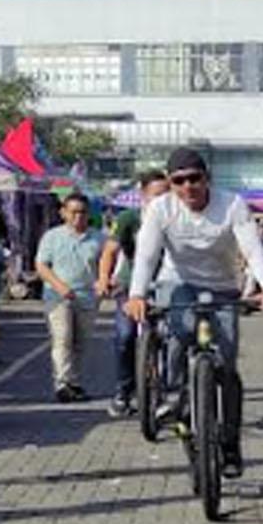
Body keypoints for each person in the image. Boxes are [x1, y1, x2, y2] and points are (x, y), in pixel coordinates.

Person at [123, 148, 263, 478]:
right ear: (170, 184)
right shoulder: (160, 209)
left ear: (206, 177)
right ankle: (175, 395)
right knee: (180, 332)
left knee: (226, 365)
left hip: (222, 285)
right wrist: (137, 294)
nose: (188, 187)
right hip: (177, 282)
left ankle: (229, 443)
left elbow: (252, 248)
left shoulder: (232, 205)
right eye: (178, 181)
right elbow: (146, 256)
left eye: (194, 179)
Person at [98, 171, 171, 417]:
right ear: (143, 195)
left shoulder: (176, 218)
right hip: (130, 288)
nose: (161, 201)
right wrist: (103, 280)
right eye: (156, 195)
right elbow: (110, 251)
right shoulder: (129, 218)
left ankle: (165, 392)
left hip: (166, 287)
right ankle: (122, 392)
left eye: (166, 195)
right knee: (125, 336)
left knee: (172, 338)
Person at [34, 192, 108, 403]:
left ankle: (74, 382)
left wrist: (103, 282)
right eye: (73, 212)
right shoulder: (52, 236)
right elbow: (41, 265)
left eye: (83, 212)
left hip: (87, 298)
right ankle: (62, 383)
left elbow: (107, 263)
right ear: (63, 213)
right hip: (57, 296)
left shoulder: (98, 238)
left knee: (81, 342)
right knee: (62, 338)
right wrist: (59, 285)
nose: (78, 217)